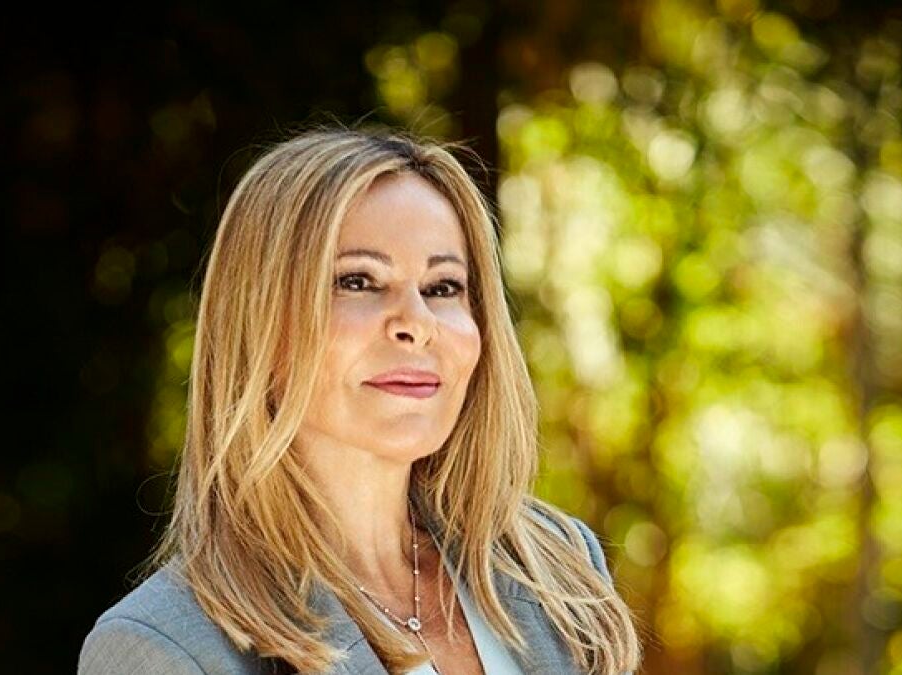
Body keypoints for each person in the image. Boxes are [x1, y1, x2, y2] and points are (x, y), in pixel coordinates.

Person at [78, 127, 642, 674]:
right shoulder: (162, 649)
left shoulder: (557, 565)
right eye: (358, 281)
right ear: (259, 323)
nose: (416, 323)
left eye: (443, 287)